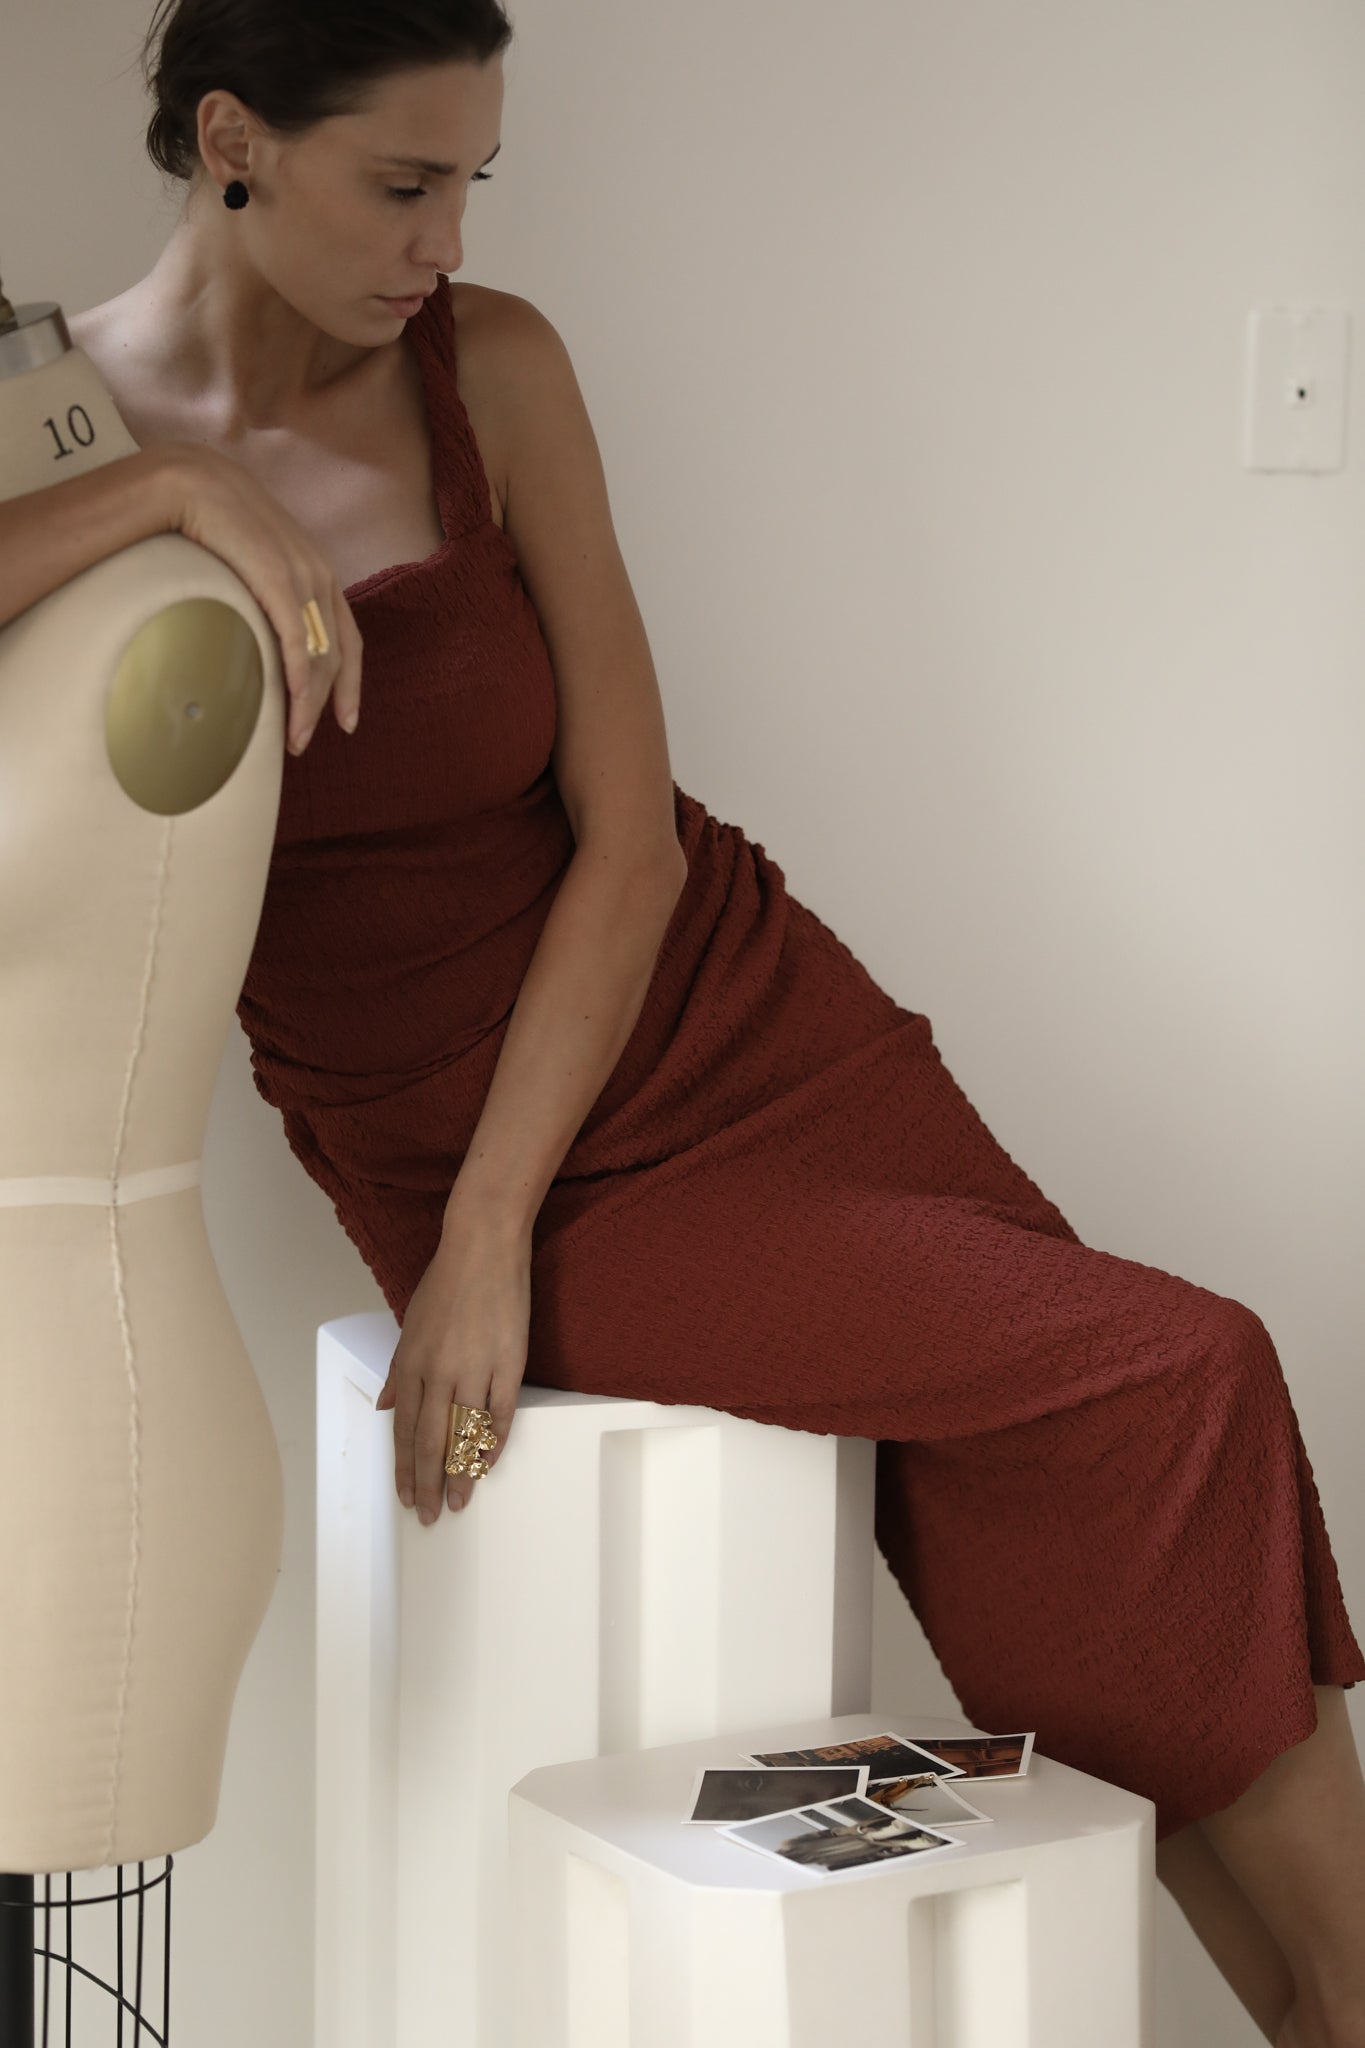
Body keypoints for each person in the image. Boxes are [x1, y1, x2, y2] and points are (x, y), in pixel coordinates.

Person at [2, 5, 1363, 2041]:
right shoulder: (59, 409)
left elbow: (625, 844)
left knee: (1100, 1469)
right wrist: (173, 495)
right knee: (1176, 1367)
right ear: (230, 142)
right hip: (466, 1136)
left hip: (732, 1010)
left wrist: (486, 1246)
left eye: (473, 184)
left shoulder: (498, 367)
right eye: (401, 182)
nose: (441, 240)